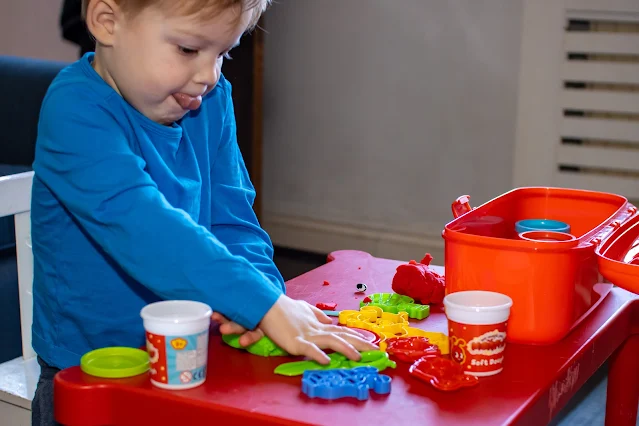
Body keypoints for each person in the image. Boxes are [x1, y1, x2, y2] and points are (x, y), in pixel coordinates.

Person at [31, 1, 376, 424]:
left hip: (200, 358)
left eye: (223, 53)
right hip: (92, 377)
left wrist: (263, 306)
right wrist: (262, 303)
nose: (208, 76)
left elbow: (233, 221)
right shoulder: (73, 110)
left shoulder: (209, 100)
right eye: (189, 50)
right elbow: (143, 227)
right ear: (108, 21)